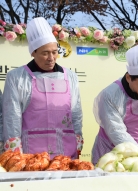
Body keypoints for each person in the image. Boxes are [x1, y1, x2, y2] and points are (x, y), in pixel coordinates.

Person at [2, 17, 83, 159]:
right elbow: (12, 118)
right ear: (33, 52)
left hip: (66, 150)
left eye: (54, 52)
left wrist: (78, 140)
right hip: (31, 153)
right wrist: (15, 155)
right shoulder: (16, 77)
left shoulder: (70, 76)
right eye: (45, 53)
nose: (51, 58)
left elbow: (76, 113)